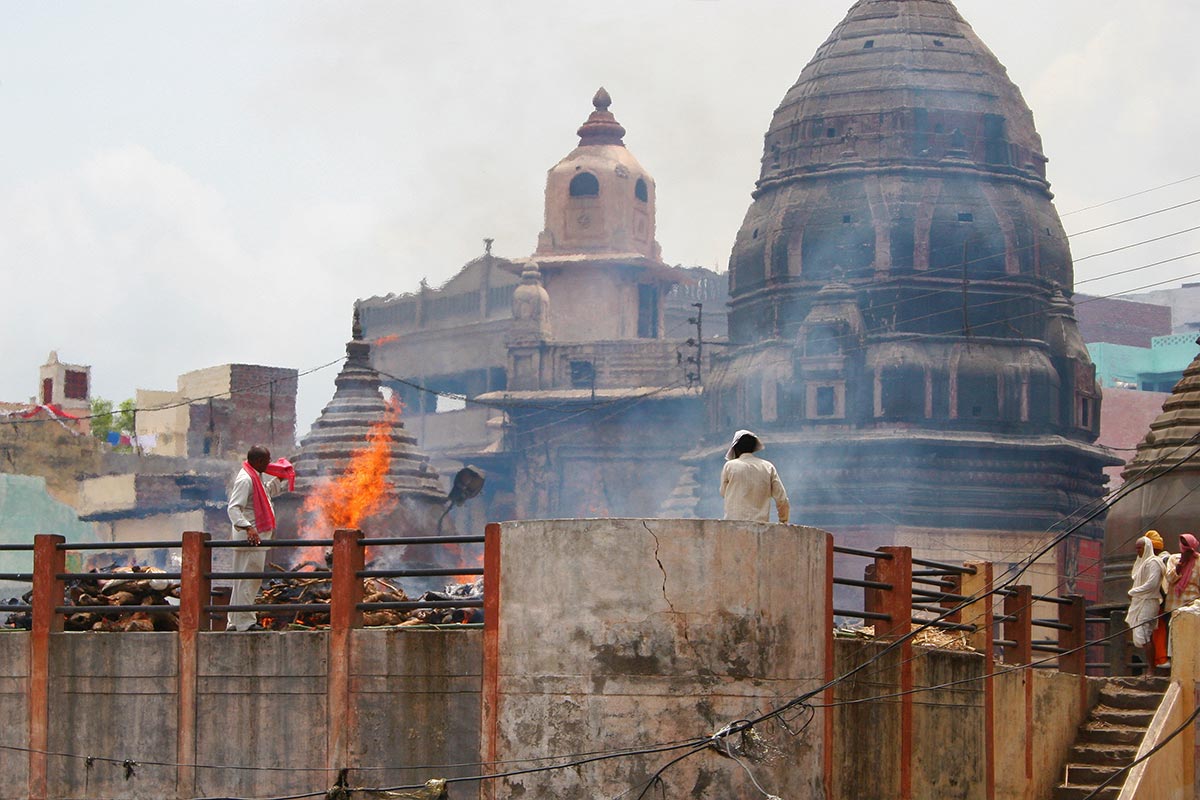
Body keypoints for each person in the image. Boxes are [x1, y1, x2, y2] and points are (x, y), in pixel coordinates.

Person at [225, 445, 293, 631]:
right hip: (250, 539)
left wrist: (278, 479)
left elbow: (265, 495)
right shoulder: (246, 479)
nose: (269, 463)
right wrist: (248, 527)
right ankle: (245, 623)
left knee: (242, 580)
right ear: (258, 461)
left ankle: (235, 621)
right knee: (250, 580)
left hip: (253, 538)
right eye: (267, 460)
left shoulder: (255, 477)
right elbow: (233, 508)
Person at [719, 430, 790, 524]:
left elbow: (724, 493)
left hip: (733, 526)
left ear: (736, 448)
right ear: (753, 448)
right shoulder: (768, 467)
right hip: (760, 527)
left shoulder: (729, 466)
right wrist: (783, 520)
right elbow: (782, 499)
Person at [1125, 535, 1165, 674]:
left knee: (1144, 634)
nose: (1138, 551)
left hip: (1149, 602)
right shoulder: (1142, 563)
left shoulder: (1153, 563)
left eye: (1140, 548)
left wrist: (1134, 591)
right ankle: (1150, 667)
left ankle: (1151, 669)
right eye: (1136, 548)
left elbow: (1152, 584)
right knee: (1143, 635)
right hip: (1141, 602)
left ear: (1146, 547)